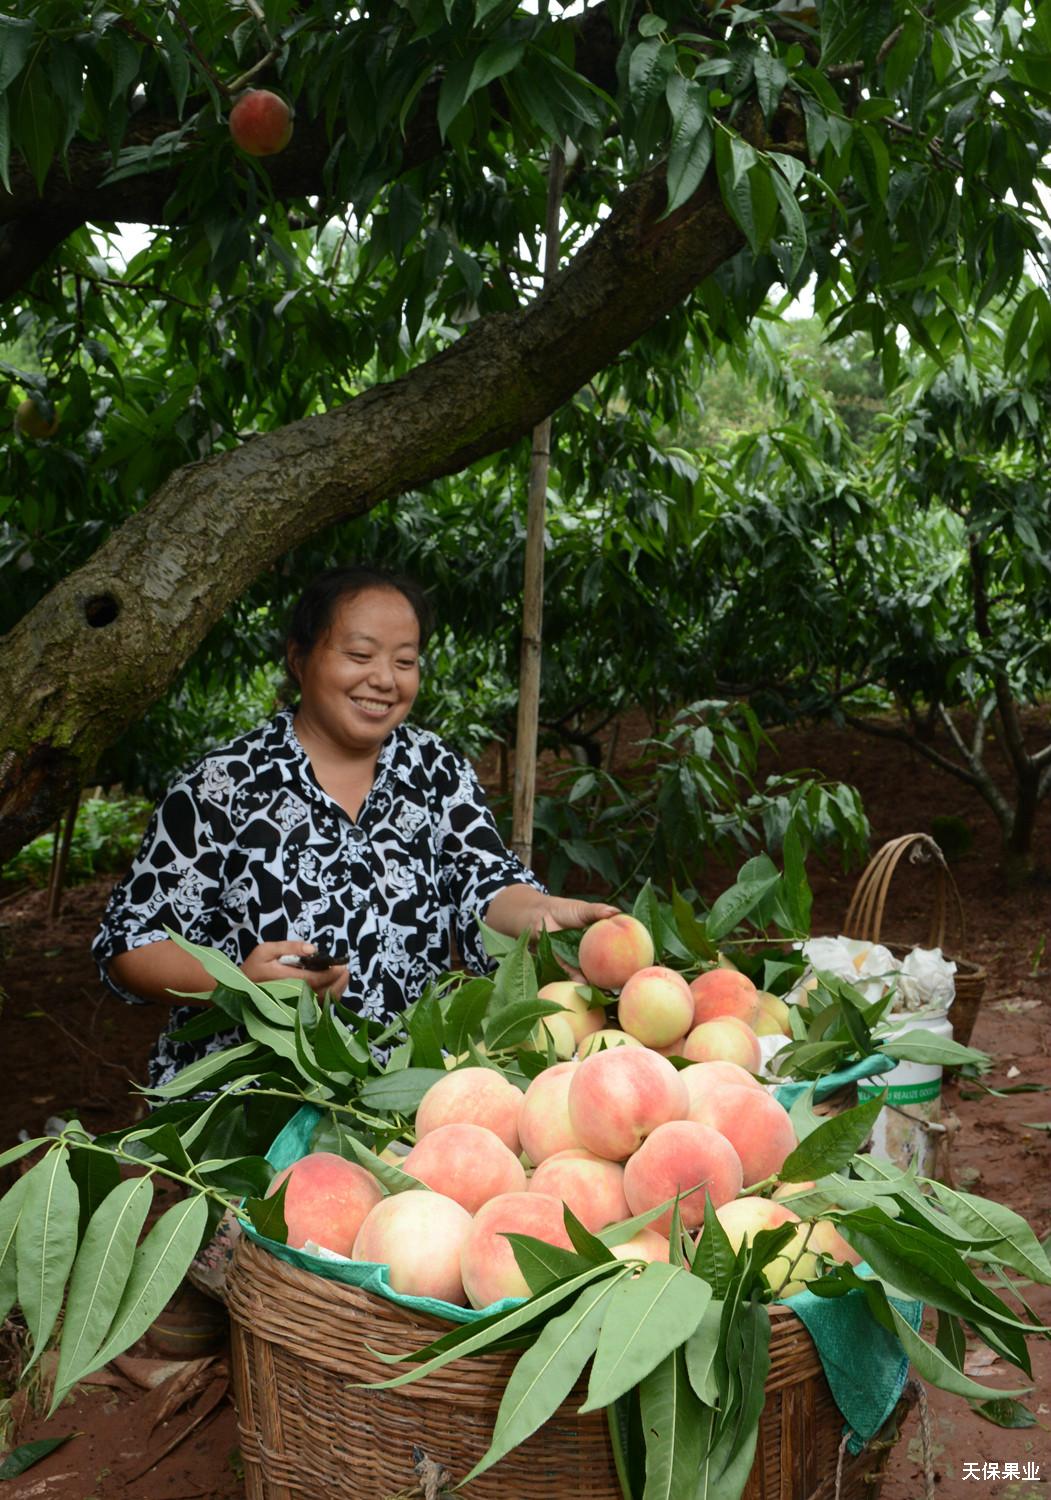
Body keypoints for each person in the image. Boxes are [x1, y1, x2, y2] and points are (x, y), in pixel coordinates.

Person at [94, 565, 618, 1087]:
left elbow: (482, 881)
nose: (385, 679)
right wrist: (237, 982)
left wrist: (542, 914)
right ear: (298, 659)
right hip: (254, 1103)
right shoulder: (223, 786)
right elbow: (131, 944)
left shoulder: (433, 770)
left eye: (405, 660)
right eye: (359, 655)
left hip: (407, 1094)